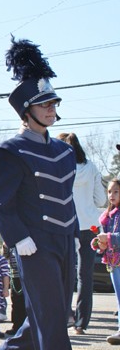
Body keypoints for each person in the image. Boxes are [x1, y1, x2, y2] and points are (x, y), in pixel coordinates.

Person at [0, 37, 105, 350]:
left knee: (52, 315)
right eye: (44, 104)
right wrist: (18, 238)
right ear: (26, 111)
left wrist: (81, 235)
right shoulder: (11, 151)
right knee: (53, 318)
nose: (52, 108)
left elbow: (66, 198)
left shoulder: (65, 151)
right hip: (32, 245)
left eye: (53, 102)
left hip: (66, 240)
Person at [57, 132, 104, 335]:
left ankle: (66, 315)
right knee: (85, 276)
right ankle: (82, 323)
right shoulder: (91, 167)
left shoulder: (60, 168)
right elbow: (101, 200)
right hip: (91, 227)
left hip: (67, 226)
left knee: (64, 274)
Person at [94, 178, 120, 345]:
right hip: (113, 262)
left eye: (116, 191)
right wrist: (99, 243)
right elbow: (103, 242)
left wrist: (108, 238)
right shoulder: (108, 216)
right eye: (109, 191)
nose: (111, 195)